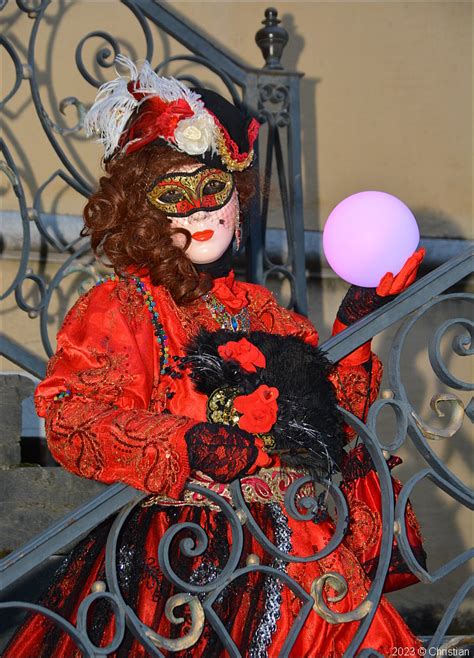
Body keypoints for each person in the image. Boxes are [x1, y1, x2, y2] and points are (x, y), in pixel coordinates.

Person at [4, 57, 426, 658]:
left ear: (237, 197)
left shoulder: (257, 307)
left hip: (298, 552)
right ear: (144, 211)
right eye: (176, 193)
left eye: (213, 188)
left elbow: (329, 415)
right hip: (175, 560)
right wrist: (185, 443)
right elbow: (68, 420)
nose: (201, 210)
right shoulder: (120, 307)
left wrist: (356, 325)